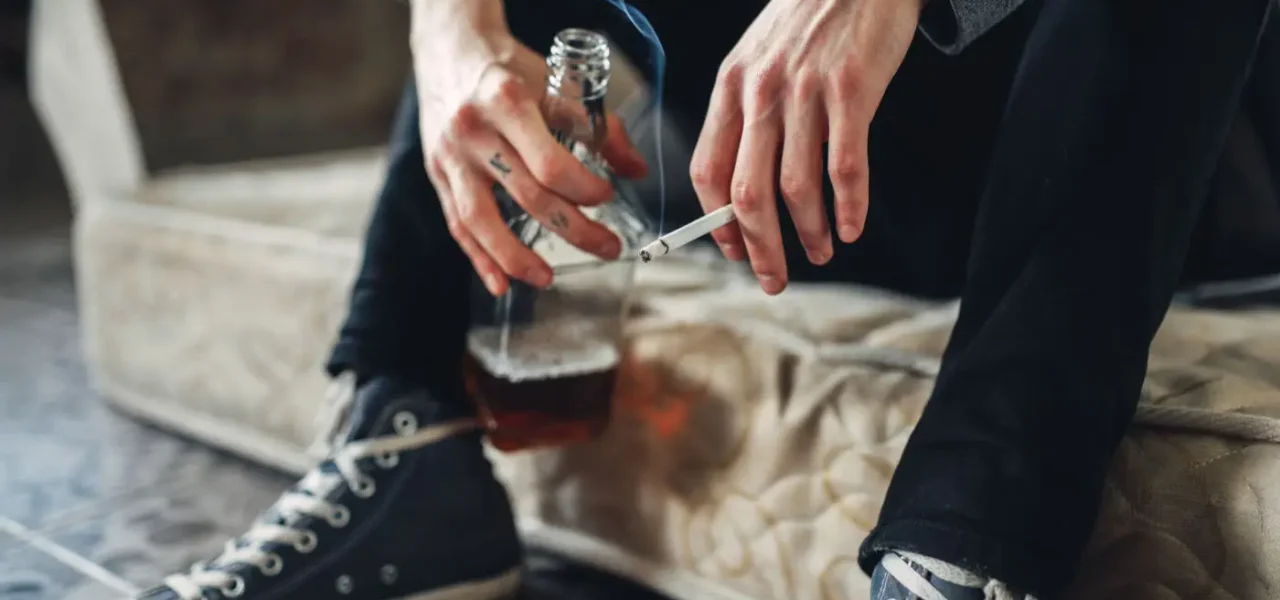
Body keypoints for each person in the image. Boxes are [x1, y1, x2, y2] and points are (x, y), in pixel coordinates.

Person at [136, 0, 1280, 598]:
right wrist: (448, 34)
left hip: (1146, 159)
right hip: (806, 170)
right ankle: (411, 453)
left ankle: (965, 553)